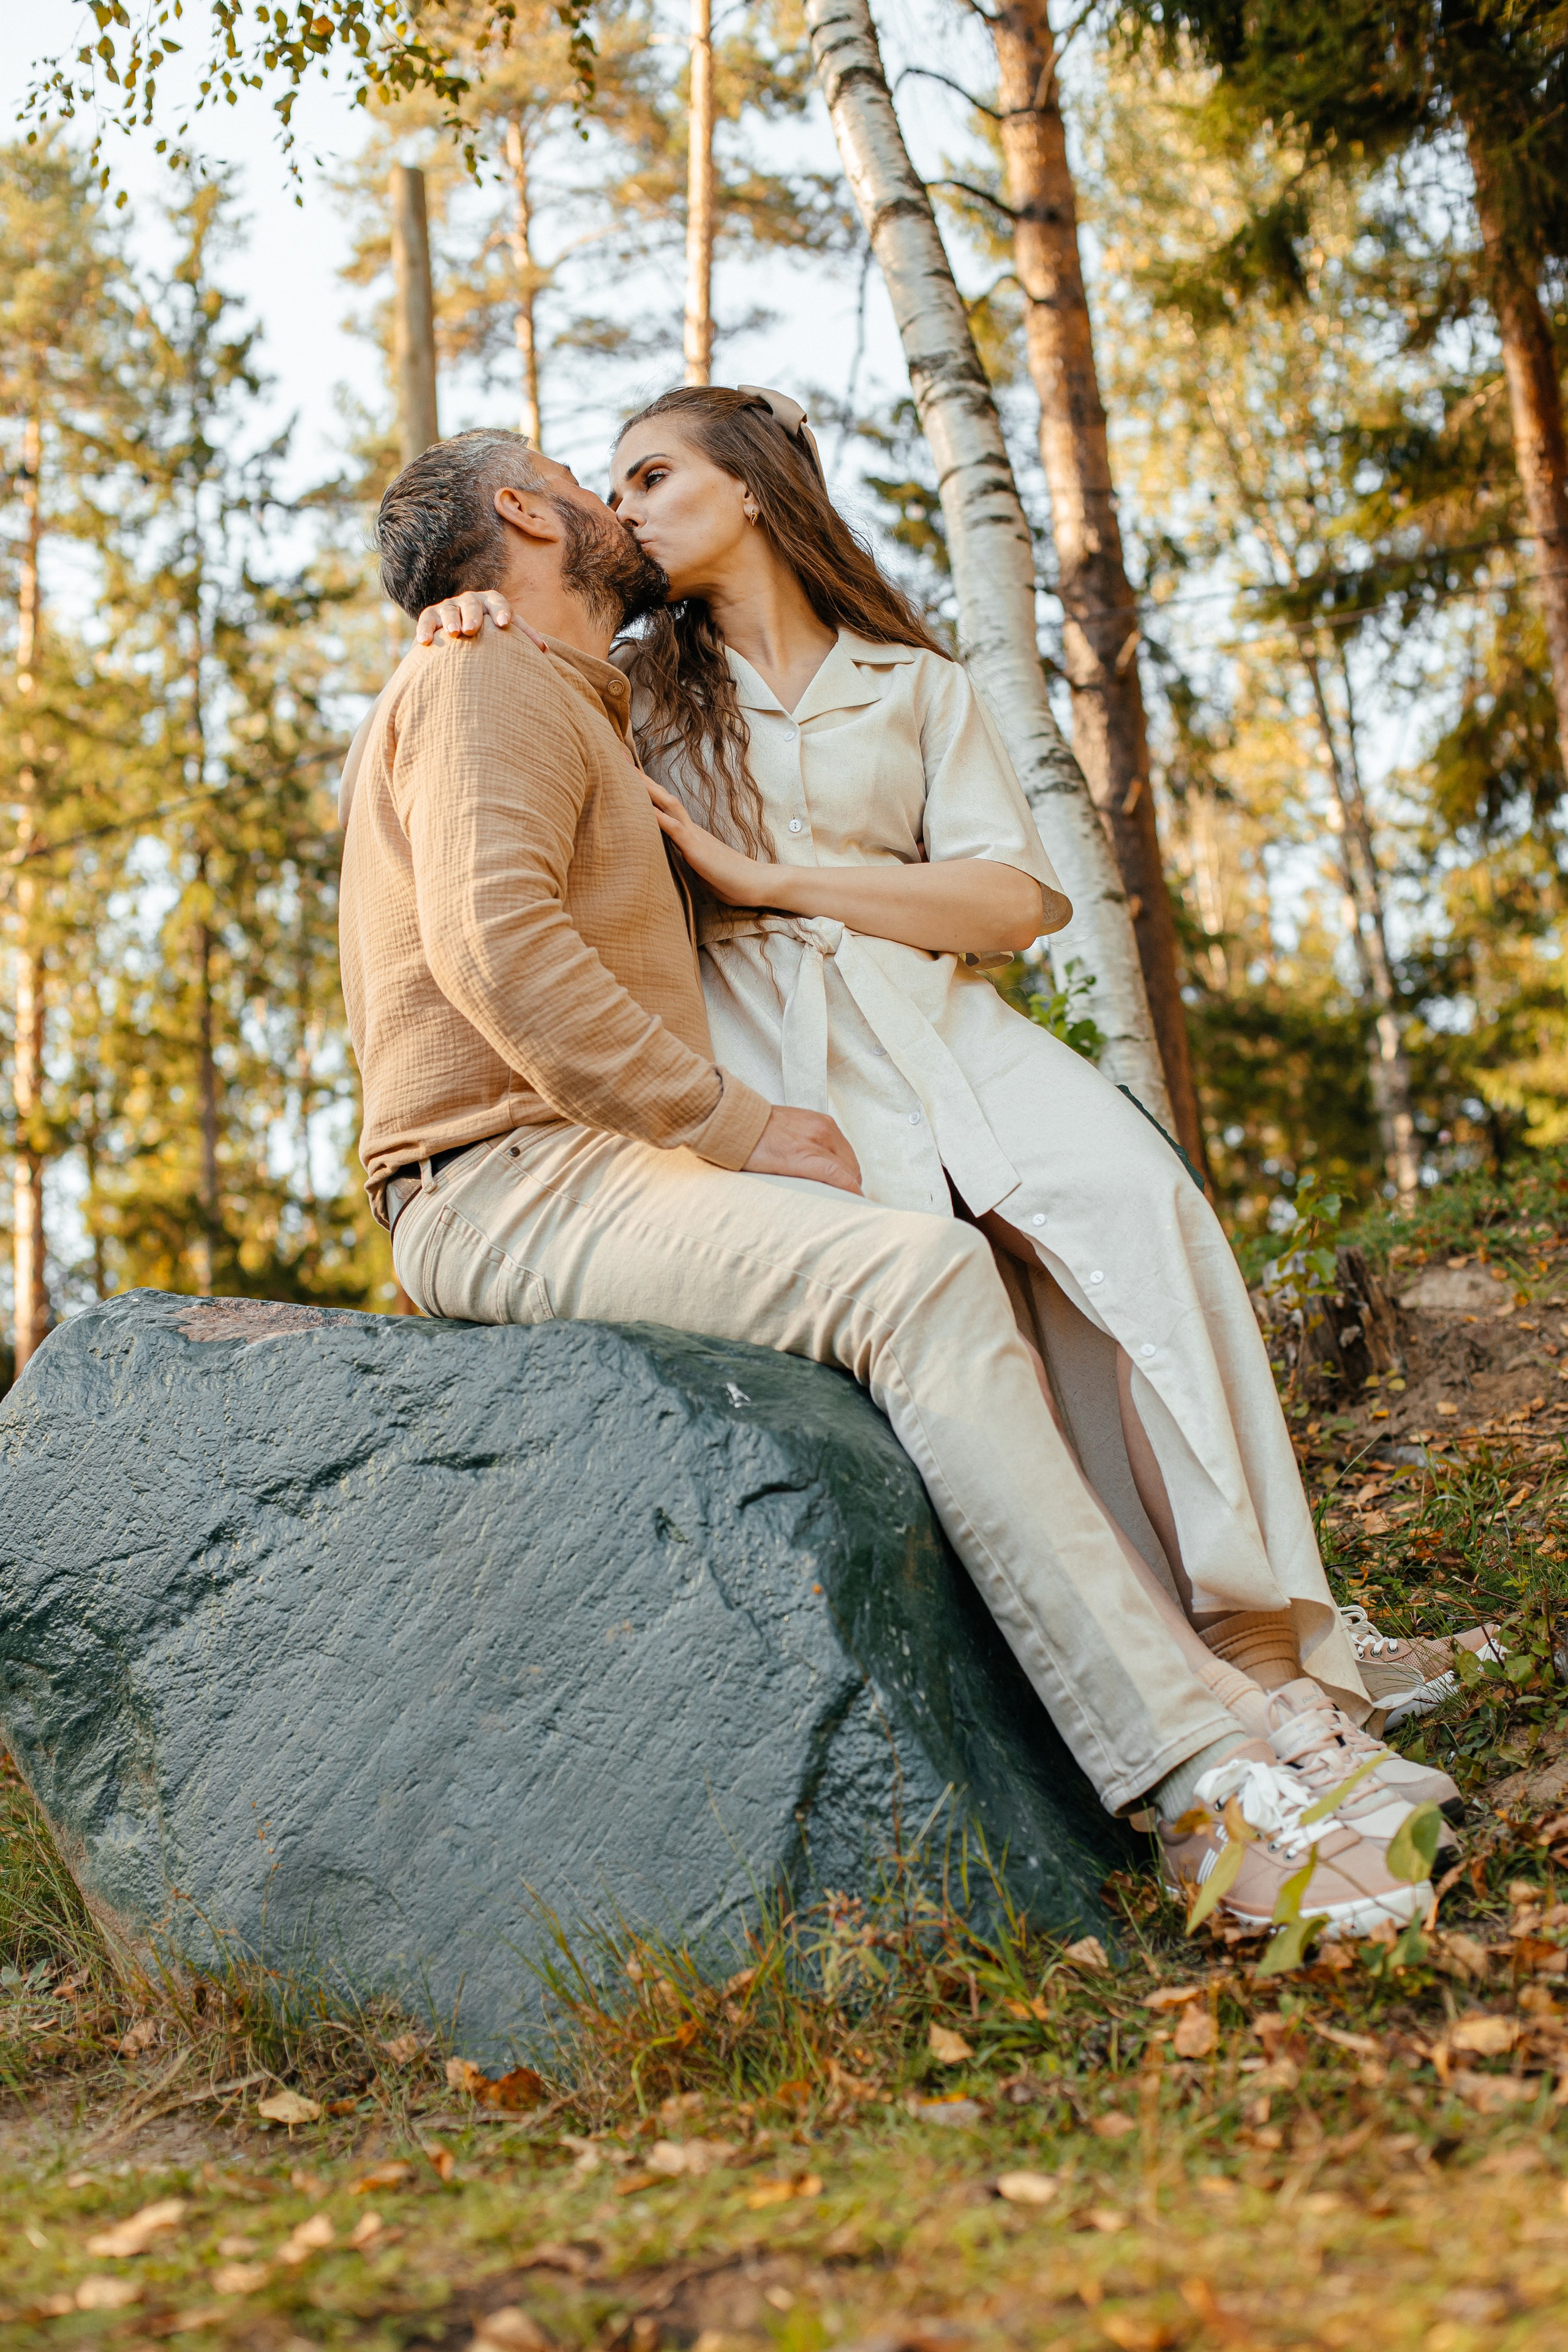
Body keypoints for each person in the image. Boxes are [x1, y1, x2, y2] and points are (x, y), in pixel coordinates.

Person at [342, 421, 1442, 1945]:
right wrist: (729, 1120)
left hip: (612, 1153)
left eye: (646, 470)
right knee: (917, 1272)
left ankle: (1249, 1683)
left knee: (1092, 1234)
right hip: (514, 1175)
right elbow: (491, 946)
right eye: (593, 481)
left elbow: (1003, 894)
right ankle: (1199, 1784)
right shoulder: (497, 676)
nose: (616, 502)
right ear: (527, 514)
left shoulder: (557, 685)